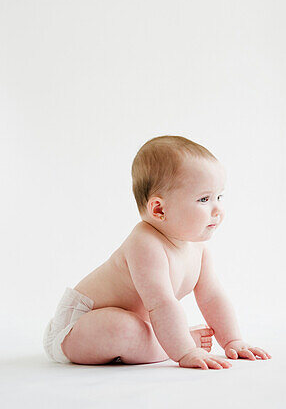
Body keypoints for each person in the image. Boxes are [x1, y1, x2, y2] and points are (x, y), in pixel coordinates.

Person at [42, 136, 270, 369]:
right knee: (121, 328)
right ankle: (174, 345)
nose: (218, 209)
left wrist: (233, 340)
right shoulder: (145, 243)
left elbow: (213, 298)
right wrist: (186, 352)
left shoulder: (199, 251)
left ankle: (169, 341)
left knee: (134, 328)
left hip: (140, 324)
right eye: (204, 199)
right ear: (159, 209)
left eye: (219, 197)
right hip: (80, 327)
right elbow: (162, 304)